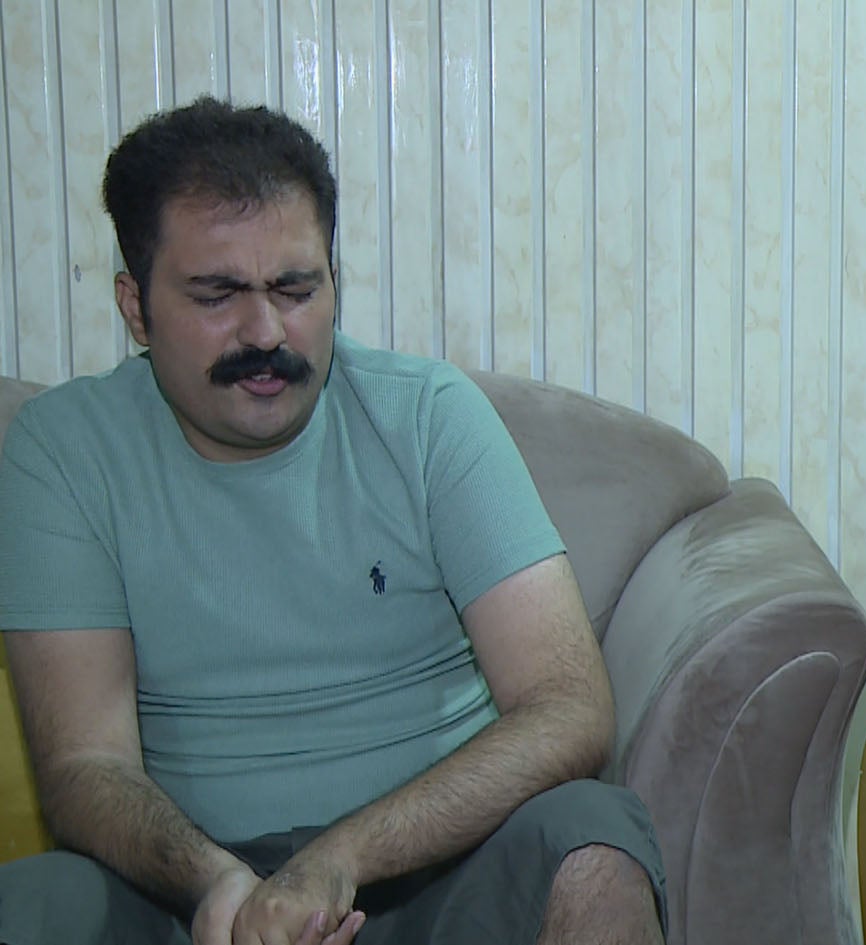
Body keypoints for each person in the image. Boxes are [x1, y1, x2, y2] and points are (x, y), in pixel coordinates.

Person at [0, 96, 667, 945]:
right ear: (136, 308)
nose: (266, 330)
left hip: (435, 869)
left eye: (295, 287)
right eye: (217, 295)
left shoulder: (428, 418)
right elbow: (82, 766)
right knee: (32, 903)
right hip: (188, 890)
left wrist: (337, 859)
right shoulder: (62, 451)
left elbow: (568, 707)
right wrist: (224, 887)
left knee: (592, 844)